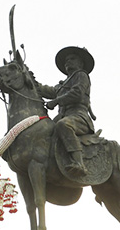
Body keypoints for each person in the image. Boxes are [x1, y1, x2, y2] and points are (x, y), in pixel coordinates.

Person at [38, 46, 96, 177]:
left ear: (80, 63)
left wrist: (56, 101)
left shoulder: (81, 75)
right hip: (62, 116)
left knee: (64, 125)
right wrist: (28, 79)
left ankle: (79, 163)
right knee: (44, 130)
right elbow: (48, 91)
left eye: (72, 59)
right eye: (66, 60)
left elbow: (77, 93)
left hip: (79, 116)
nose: (67, 62)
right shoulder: (63, 84)